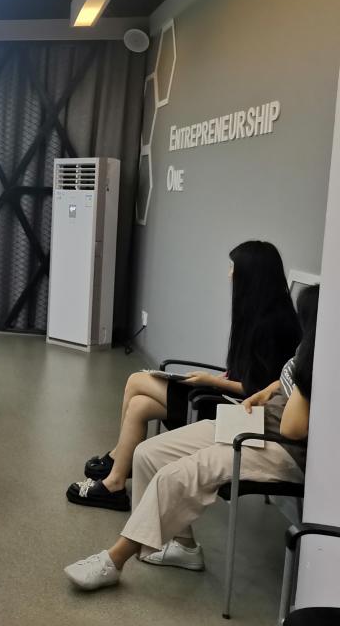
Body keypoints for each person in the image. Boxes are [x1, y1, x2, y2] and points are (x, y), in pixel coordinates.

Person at [65, 285, 319, 590]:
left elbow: (293, 429)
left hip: (282, 448)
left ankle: (114, 560)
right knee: (148, 453)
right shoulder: (307, 349)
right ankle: (183, 547)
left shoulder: (321, 362)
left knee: (176, 476)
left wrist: (301, 379)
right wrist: (268, 391)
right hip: (255, 422)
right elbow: (283, 378)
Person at [67, 240, 301, 511]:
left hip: (239, 413)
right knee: (139, 405)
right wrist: (219, 379)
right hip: (225, 398)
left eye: (234, 268)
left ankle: (117, 460)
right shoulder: (261, 314)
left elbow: (260, 391)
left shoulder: (274, 324)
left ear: (252, 276)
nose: (229, 274)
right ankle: (116, 480)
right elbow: (251, 374)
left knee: (136, 381)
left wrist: (210, 381)